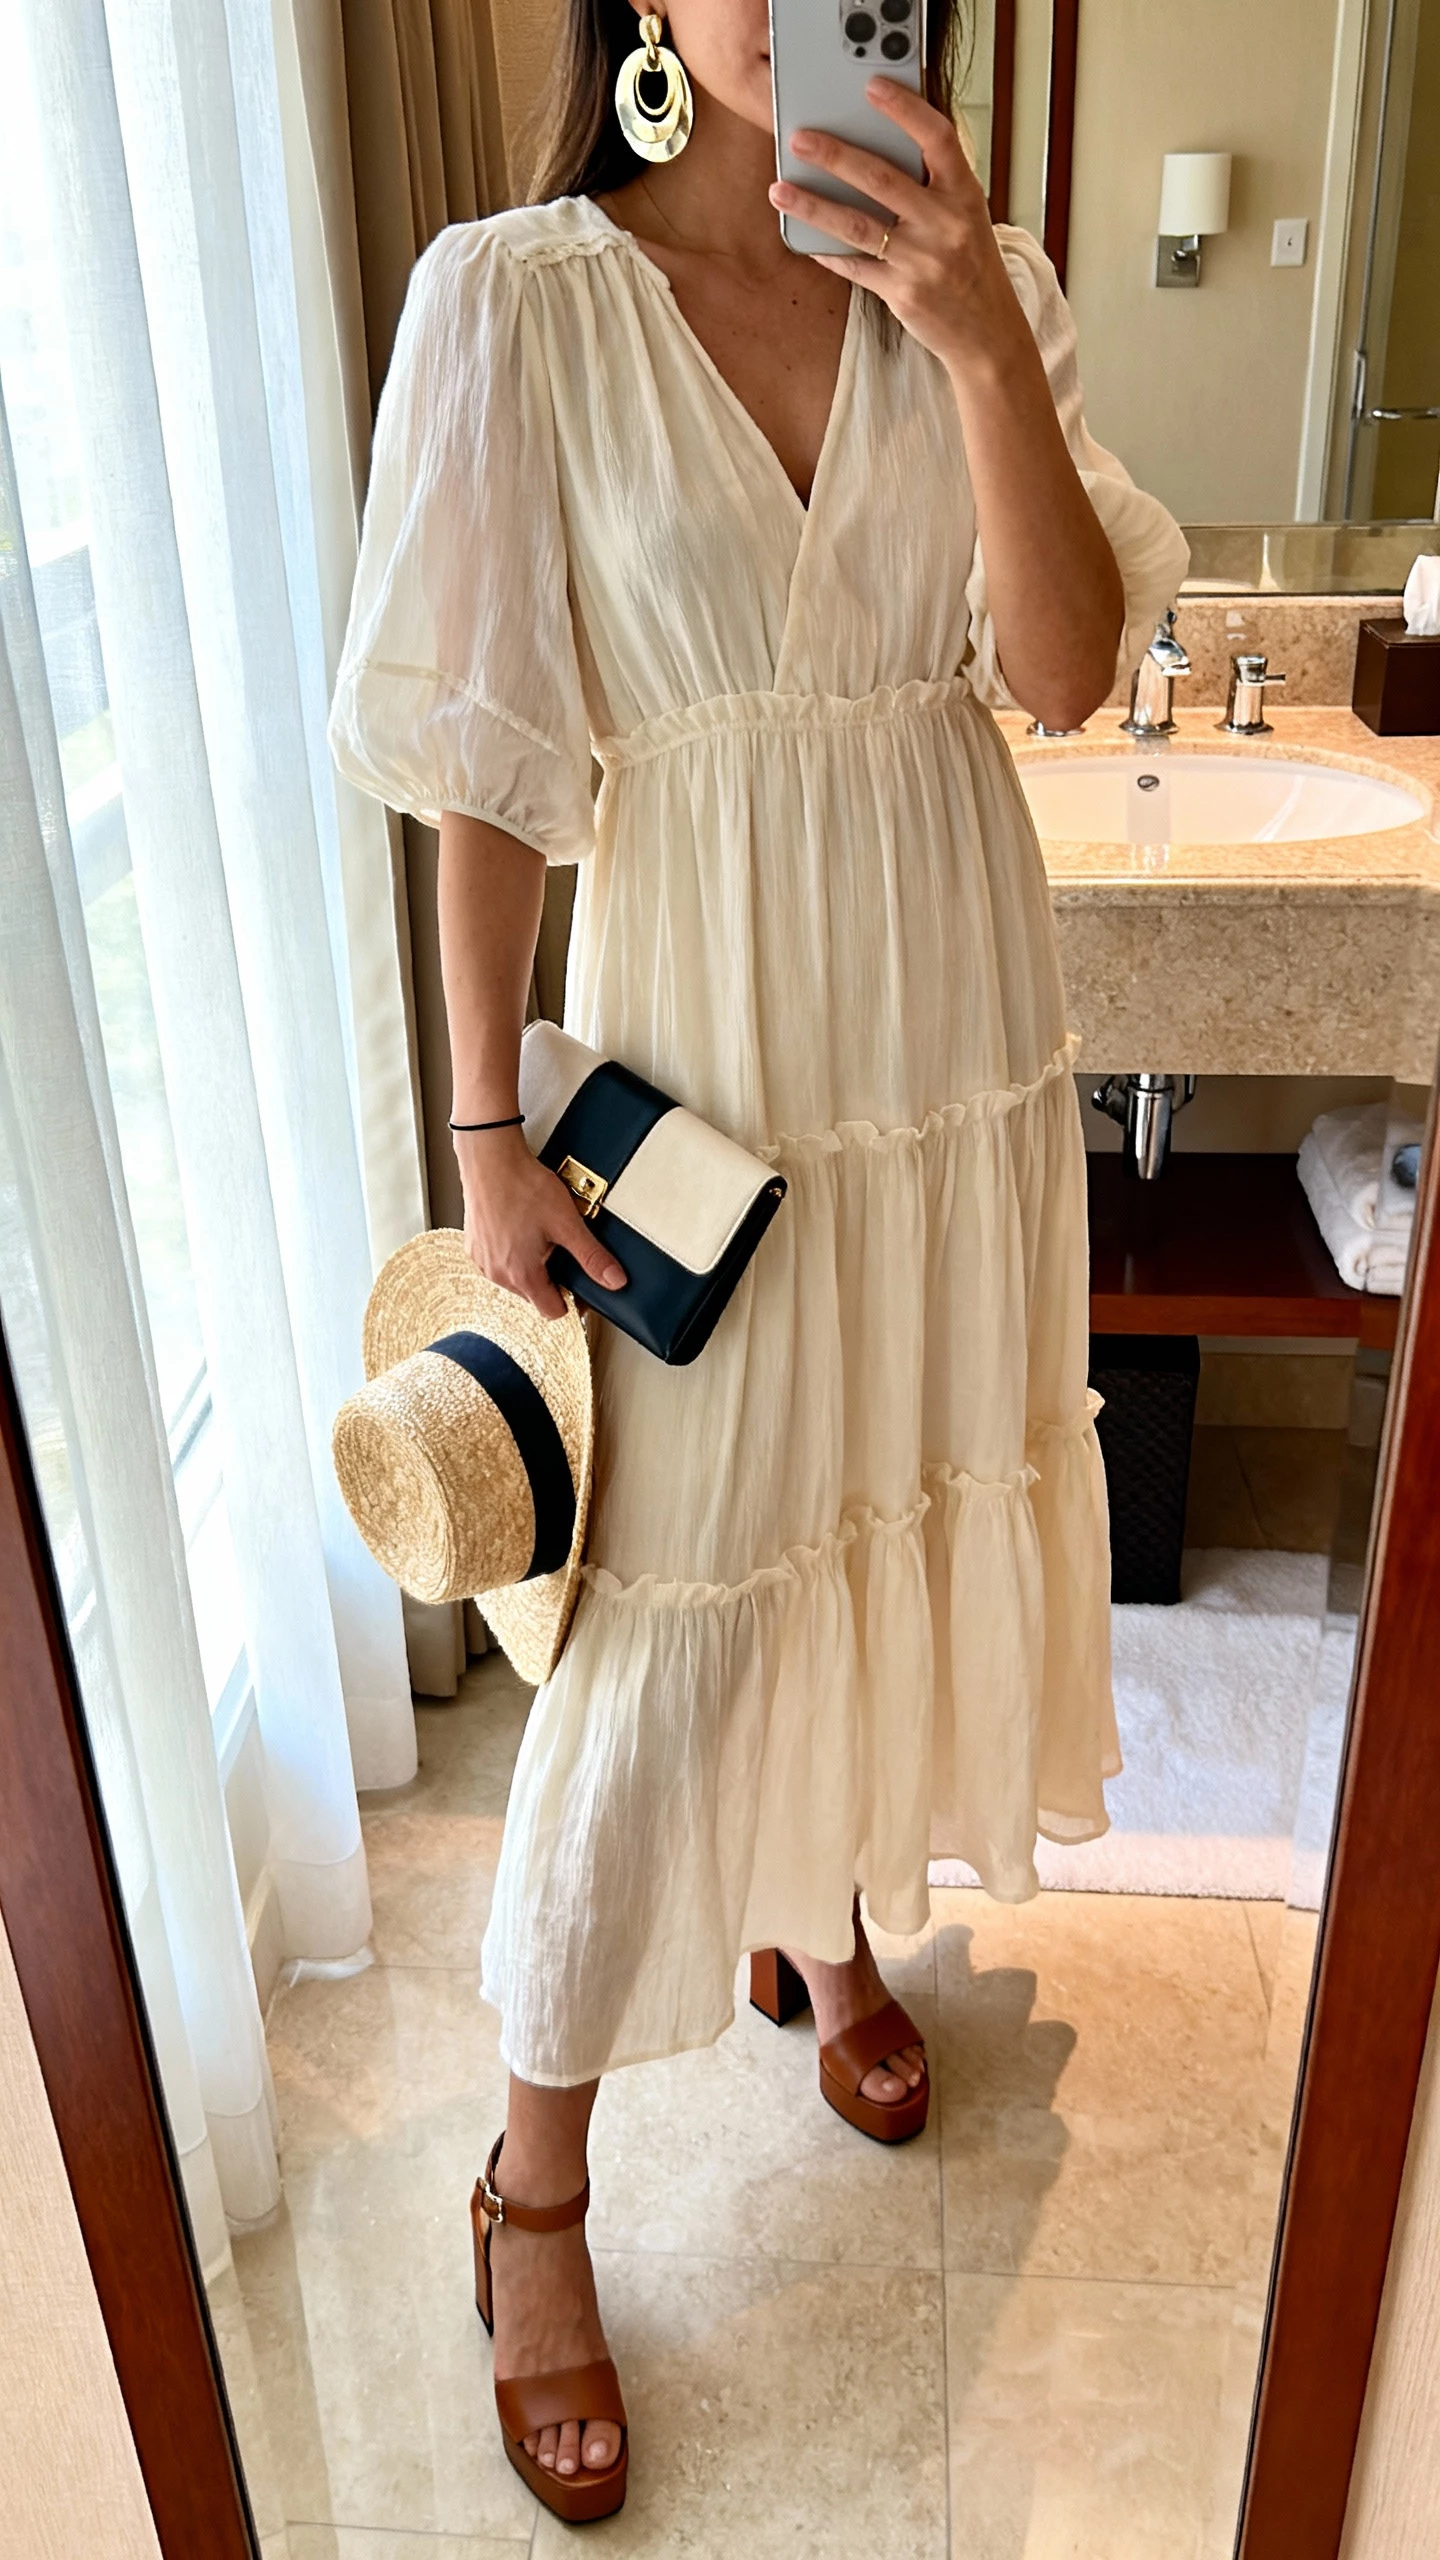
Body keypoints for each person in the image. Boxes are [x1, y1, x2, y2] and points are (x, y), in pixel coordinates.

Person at [330, 0, 1187, 2519]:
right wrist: (485, 1118)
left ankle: (822, 1924)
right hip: (708, 1073)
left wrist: (969, 336)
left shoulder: (981, 282)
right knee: (673, 1608)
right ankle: (536, 2190)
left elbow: (1054, 665)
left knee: (895, 1492)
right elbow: (489, 764)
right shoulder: (521, 298)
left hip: (953, 1064)